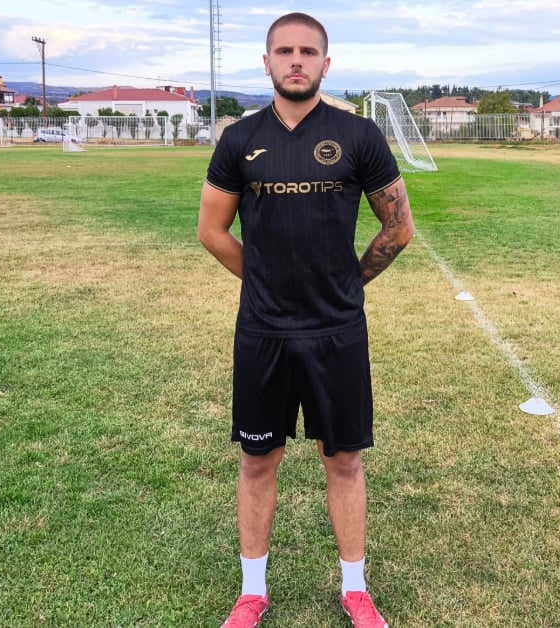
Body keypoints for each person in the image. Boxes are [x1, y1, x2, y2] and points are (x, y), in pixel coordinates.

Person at [197, 12, 414, 628]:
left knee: (343, 460)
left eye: (308, 52)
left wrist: (345, 284)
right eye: (285, 51)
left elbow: (398, 228)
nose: (296, 60)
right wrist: (266, 280)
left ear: (326, 62)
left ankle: (355, 590)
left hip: (336, 331)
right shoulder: (239, 139)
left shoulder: (358, 135)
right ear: (266, 61)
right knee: (257, 460)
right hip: (263, 331)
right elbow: (212, 231)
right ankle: (252, 593)